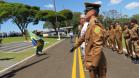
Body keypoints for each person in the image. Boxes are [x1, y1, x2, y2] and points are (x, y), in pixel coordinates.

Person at [70, 2, 107, 78]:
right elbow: (83, 37)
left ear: (92, 12)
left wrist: (94, 64)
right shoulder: (90, 24)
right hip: (92, 58)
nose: (85, 13)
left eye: (86, 11)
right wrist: (75, 46)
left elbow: (98, 45)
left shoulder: (95, 25)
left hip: (96, 60)